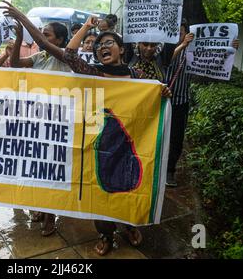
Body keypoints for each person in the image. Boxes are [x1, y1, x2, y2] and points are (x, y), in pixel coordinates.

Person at [62, 16, 172, 256]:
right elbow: (69, 56)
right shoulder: (93, 74)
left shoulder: (137, 75)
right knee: (100, 193)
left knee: (130, 188)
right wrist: (87, 26)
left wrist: (163, 91)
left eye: (109, 42)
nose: (102, 47)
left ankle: (130, 226)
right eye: (99, 45)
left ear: (122, 49)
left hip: (130, 146)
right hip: (99, 146)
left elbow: (156, 94)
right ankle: (106, 234)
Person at [1, 2, 73, 237]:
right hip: (37, 120)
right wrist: (20, 36)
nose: (42, 38)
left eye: (48, 34)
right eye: (43, 34)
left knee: (52, 170)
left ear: (60, 41)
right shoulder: (40, 57)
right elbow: (13, 65)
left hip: (58, 123)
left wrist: (21, 17)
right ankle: (40, 208)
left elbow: (41, 43)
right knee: (36, 167)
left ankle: (50, 216)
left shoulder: (65, 57)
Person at [164, 20, 240, 187]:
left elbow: (213, 57)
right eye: (174, 32)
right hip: (160, 103)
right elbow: (167, 60)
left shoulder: (191, 51)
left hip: (180, 102)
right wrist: (183, 45)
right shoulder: (161, 49)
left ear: (186, 33)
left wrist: (231, 48)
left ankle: (170, 170)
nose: (178, 35)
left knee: (176, 138)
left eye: (181, 32)